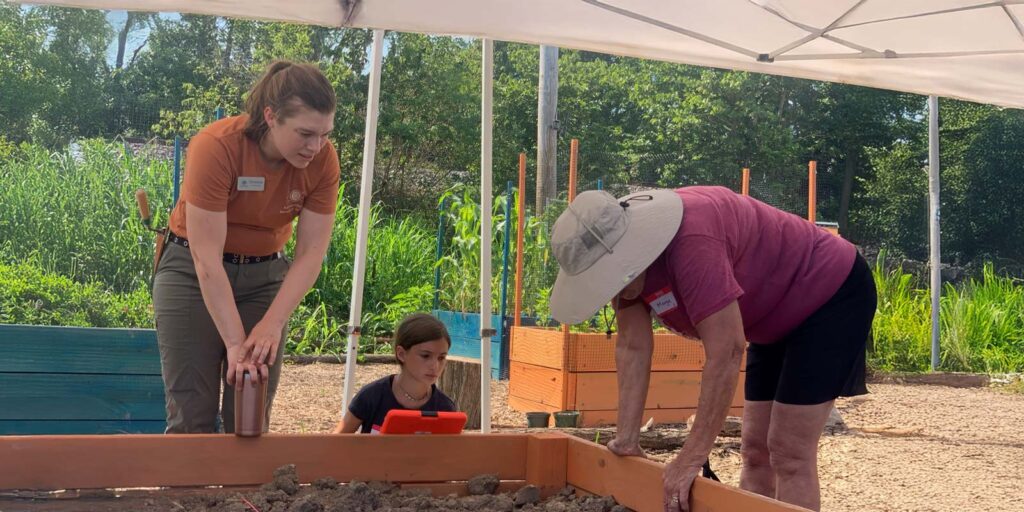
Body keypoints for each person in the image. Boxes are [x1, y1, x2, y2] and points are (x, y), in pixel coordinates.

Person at [548, 186, 876, 512]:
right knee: (755, 451)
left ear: (629, 250)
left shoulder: (691, 244)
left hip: (829, 294)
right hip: (771, 316)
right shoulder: (627, 274)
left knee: (789, 451)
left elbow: (727, 351)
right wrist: (626, 439)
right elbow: (633, 346)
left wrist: (691, 457)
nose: (610, 289)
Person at [152, 60, 340, 434]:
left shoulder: (323, 161)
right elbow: (206, 259)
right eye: (305, 133)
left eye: (324, 134)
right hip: (192, 271)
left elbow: (310, 255)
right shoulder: (217, 146)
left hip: (265, 275)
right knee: (193, 410)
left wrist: (271, 325)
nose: (316, 147)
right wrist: (235, 342)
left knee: (251, 400)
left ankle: (246, 493)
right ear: (270, 116)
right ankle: (189, 493)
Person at [332, 313, 458, 434]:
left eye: (441, 358)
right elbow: (335, 444)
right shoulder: (371, 396)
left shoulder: (445, 408)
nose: (435, 366)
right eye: (425, 356)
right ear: (401, 354)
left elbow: (450, 453)